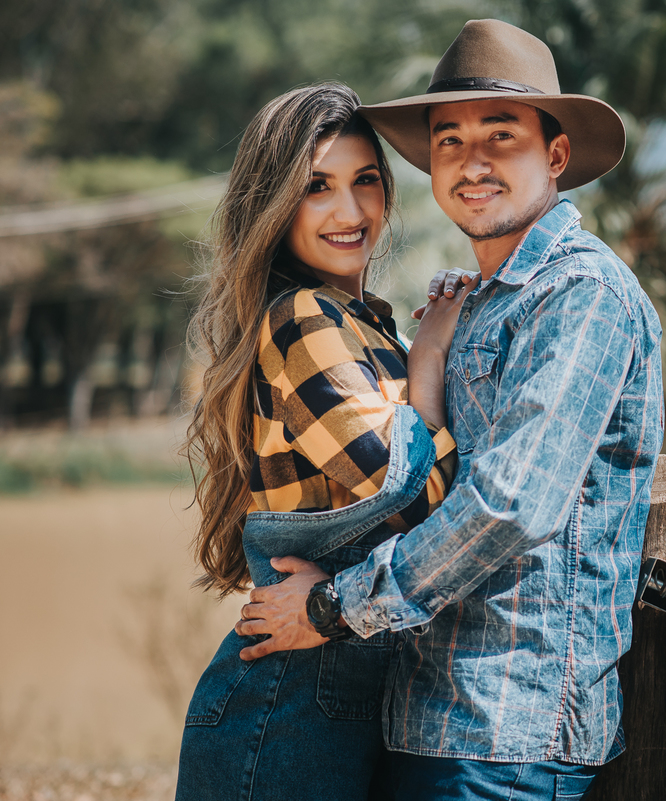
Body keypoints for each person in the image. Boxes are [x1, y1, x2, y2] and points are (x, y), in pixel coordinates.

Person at [240, 19, 665, 800]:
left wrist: (332, 609)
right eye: (449, 141)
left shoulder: (581, 295)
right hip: (426, 718)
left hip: (505, 730)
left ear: (557, 156)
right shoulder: (474, 307)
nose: (472, 163)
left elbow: (508, 504)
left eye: (501, 136)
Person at [175, 82, 467, 800]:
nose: (350, 210)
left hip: (329, 696)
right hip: (285, 711)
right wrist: (428, 365)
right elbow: (404, 494)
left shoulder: (364, 323)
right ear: (274, 205)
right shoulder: (304, 315)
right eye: (317, 188)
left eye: (365, 181)